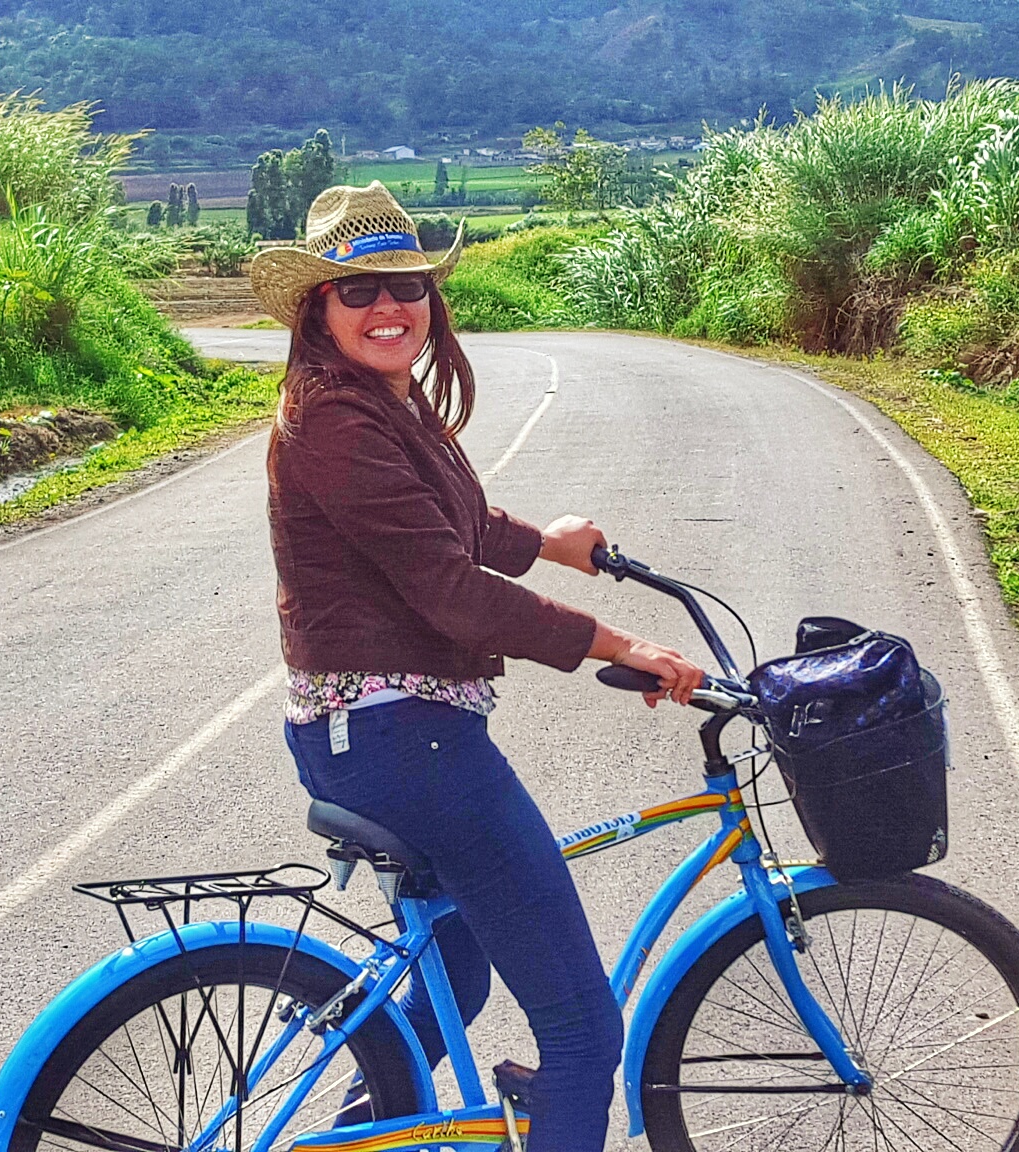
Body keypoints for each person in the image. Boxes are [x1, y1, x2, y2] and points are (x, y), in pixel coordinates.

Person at [250, 181, 705, 1152]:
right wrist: (615, 644)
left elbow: (448, 526)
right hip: (400, 742)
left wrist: (548, 541)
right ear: (316, 308)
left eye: (405, 284)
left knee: (453, 978)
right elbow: (444, 587)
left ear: (431, 297)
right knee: (583, 1032)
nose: (387, 307)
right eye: (357, 290)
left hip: (382, 738)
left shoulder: (379, 404)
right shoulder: (331, 420)